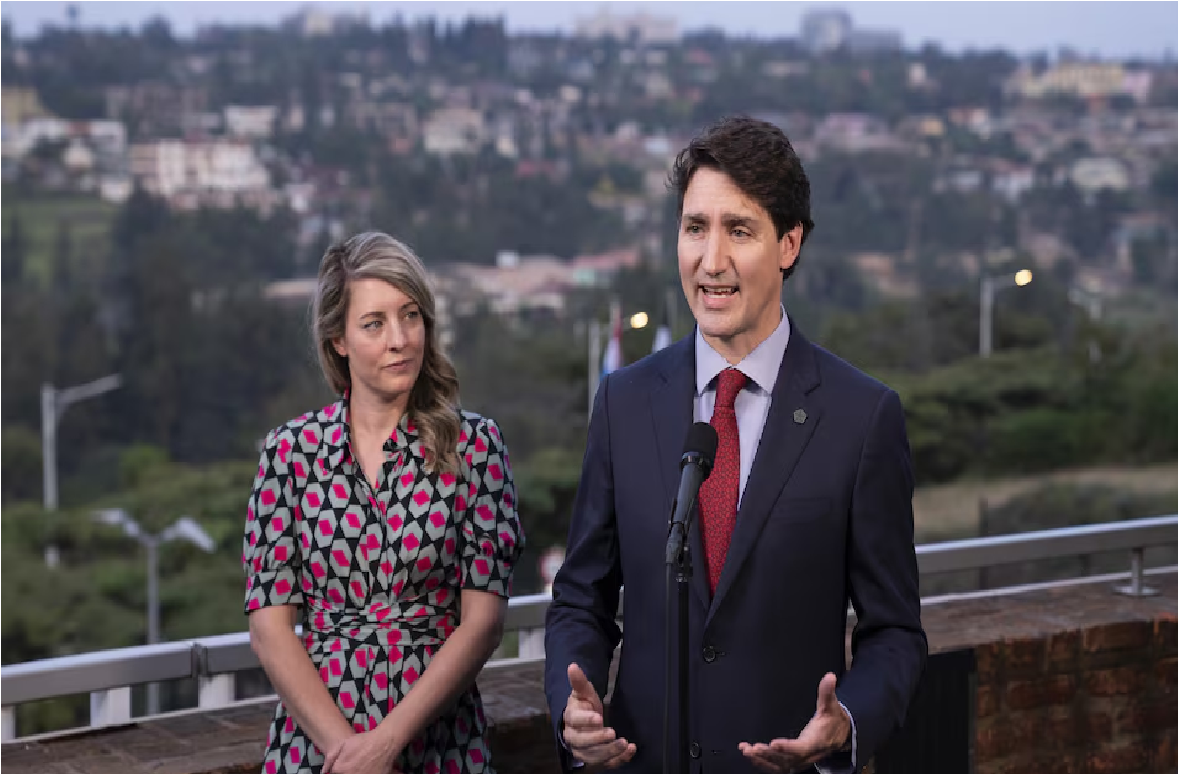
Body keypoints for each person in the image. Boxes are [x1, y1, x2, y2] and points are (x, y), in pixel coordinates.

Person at [543, 116, 927, 774]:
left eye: (739, 230)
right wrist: (571, 707)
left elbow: (894, 632)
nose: (711, 259)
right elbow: (581, 599)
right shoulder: (623, 404)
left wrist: (847, 720)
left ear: (788, 243)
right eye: (695, 228)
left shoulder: (862, 418)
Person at [243, 232, 524, 774]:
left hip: (440, 747)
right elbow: (269, 629)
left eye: (410, 316)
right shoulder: (289, 453)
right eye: (374, 323)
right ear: (338, 339)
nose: (399, 339)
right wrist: (348, 753)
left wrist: (386, 743)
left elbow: (483, 623)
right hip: (319, 752)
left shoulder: (475, 445)